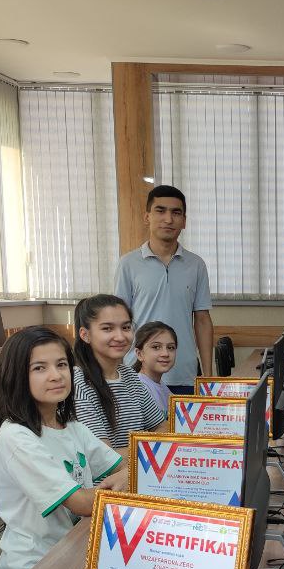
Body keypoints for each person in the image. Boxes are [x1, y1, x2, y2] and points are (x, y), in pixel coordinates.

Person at [0, 326, 128, 569]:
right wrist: (129, 475)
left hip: (70, 559)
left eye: (62, 364)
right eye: (39, 368)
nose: (56, 375)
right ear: (16, 376)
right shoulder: (16, 437)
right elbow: (83, 503)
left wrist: (134, 468)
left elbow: (119, 463)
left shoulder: (70, 426)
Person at [113, 184, 212, 393]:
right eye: (160, 211)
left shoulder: (196, 265)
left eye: (176, 213)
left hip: (184, 374)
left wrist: (209, 377)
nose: (168, 219)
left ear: (184, 221)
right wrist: (118, 373)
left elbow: (203, 320)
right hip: (139, 375)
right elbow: (119, 322)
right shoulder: (128, 264)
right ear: (147, 217)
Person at [72, 295, 166, 450]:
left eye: (126, 327)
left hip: (141, 463)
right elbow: (105, 457)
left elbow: (161, 426)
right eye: (107, 328)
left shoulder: (130, 375)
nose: (120, 337)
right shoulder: (79, 384)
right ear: (85, 335)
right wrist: (153, 448)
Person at [132, 320, 177, 422]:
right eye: (156, 347)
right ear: (139, 354)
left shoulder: (162, 387)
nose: (165, 353)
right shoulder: (138, 389)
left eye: (170, 347)